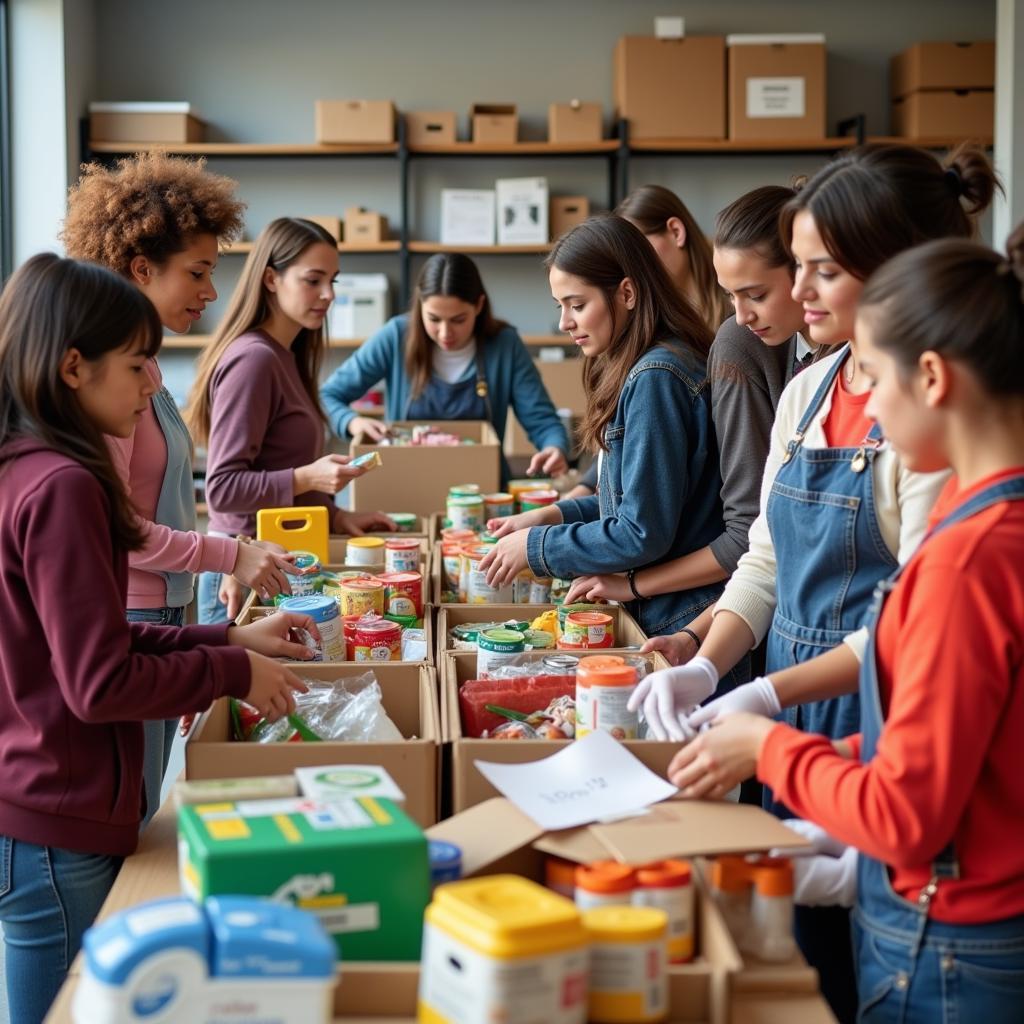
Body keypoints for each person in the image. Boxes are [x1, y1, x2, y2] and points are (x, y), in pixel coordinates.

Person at [630, 144, 996, 1023]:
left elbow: (922, 624)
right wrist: (707, 659)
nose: (798, 295)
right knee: (792, 966)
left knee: (868, 960)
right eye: (796, 269)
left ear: (901, 268)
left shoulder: (936, 424)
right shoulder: (807, 388)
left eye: (821, 271)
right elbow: (764, 558)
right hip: (789, 712)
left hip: (877, 717)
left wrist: (762, 701)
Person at [0, 254, 314, 1023]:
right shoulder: (64, 486)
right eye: (138, 366)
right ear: (74, 367)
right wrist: (231, 671)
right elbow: (99, 684)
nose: (151, 386)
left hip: (31, 805)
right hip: (55, 818)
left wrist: (232, 638)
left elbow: (99, 643)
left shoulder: (26, 464)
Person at [61, 152, 297, 824]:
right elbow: (119, 529)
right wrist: (230, 553)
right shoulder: (112, 388)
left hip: (164, 612)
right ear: (142, 270)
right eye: (197, 272)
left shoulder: (148, 370)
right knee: (130, 815)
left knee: (145, 802)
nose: (211, 292)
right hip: (135, 616)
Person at [566, 186, 815, 669]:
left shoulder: (675, 368)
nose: (741, 315)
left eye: (576, 304)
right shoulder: (787, 358)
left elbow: (735, 533)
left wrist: (644, 593)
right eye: (730, 297)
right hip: (729, 621)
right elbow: (766, 543)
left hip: (718, 616)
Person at [480, 215, 725, 641]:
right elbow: (631, 502)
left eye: (577, 305)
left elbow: (640, 532)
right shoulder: (649, 365)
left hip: (680, 618)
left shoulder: (657, 377)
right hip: (672, 611)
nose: (564, 322)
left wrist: (538, 547)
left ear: (626, 293)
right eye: (560, 306)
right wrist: (551, 515)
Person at [186, 217, 394, 624]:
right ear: (270, 279)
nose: (329, 294)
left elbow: (277, 467)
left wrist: (338, 516)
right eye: (313, 280)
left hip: (279, 564)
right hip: (243, 571)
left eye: (333, 280)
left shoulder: (288, 355)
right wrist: (307, 478)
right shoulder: (254, 360)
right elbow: (223, 491)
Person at [320, 252, 570, 483]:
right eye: (434, 319)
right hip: (404, 487)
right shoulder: (396, 336)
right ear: (420, 305)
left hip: (484, 488)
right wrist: (352, 422)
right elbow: (327, 396)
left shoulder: (504, 345)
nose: (445, 333)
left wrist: (554, 447)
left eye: (458, 320)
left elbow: (542, 421)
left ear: (479, 306)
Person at [564, 184, 731, 500]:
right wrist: (584, 490)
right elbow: (635, 433)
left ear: (675, 231)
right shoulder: (633, 327)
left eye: (639, 247)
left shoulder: (735, 318)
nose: (631, 264)